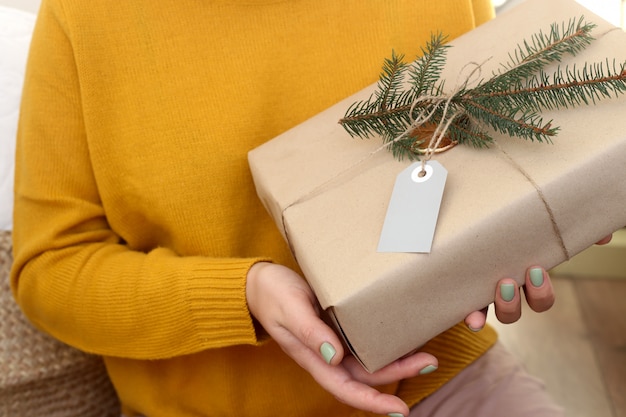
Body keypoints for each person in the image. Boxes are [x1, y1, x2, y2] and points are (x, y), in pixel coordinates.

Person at [9, 0, 612, 416]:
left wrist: (532, 225)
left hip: (435, 377)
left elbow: (477, 172)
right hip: (207, 408)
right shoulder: (87, 19)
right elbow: (52, 268)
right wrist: (241, 294)